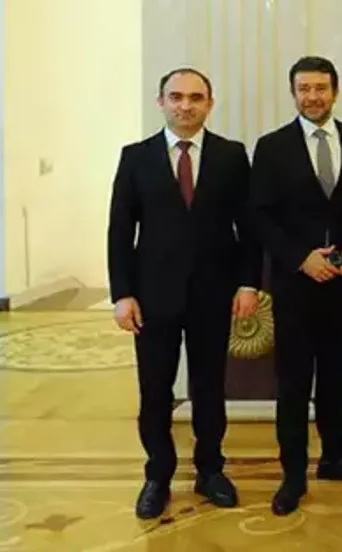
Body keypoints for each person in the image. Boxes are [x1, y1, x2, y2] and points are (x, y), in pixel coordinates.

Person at [107, 67, 261, 519]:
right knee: (155, 390)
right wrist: (122, 294)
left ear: (209, 104)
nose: (185, 105)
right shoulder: (135, 157)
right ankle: (157, 474)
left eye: (195, 97)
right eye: (176, 97)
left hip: (215, 293)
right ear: (161, 102)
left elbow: (249, 227)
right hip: (152, 297)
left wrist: (248, 283)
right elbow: (120, 230)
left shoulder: (232, 155)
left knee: (210, 387)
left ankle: (210, 470)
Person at [249, 56, 342, 516]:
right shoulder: (272, 147)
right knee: (293, 380)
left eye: (320, 88)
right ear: (293, 94)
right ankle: (293, 473)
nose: (312, 97)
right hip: (295, 284)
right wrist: (300, 259)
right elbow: (260, 216)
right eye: (304, 89)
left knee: (336, 373)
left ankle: (335, 456)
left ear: (335, 92)